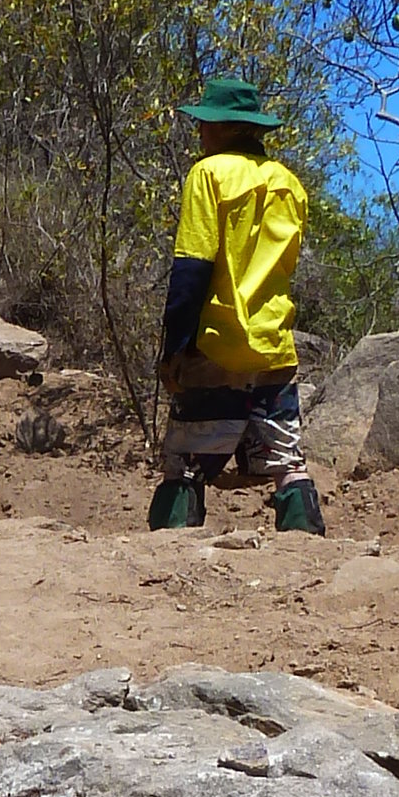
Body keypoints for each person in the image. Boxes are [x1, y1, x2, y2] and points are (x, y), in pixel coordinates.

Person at [149, 73, 323, 534]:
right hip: (274, 344)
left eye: (206, 124)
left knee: (185, 462)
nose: (200, 131)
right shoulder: (290, 183)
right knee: (287, 460)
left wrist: (174, 348)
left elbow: (192, 268)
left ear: (224, 127)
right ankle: (309, 551)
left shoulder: (209, 174)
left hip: (216, 342)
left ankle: (170, 551)